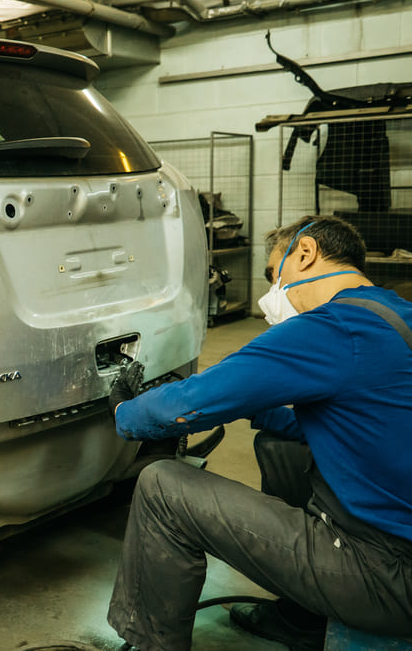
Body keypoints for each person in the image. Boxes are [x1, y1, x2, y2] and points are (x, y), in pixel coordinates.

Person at [105, 215, 412, 651]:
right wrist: (253, 408)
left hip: (384, 575)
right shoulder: (395, 314)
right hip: (400, 548)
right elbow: (353, 424)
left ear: (305, 253)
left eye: (273, 274)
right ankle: (301, 620)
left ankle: (151, 643)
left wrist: (125, 410)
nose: (273, 291)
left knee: (162, 487)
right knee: (279, 447)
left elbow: (184, 406)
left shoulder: (332, 327)